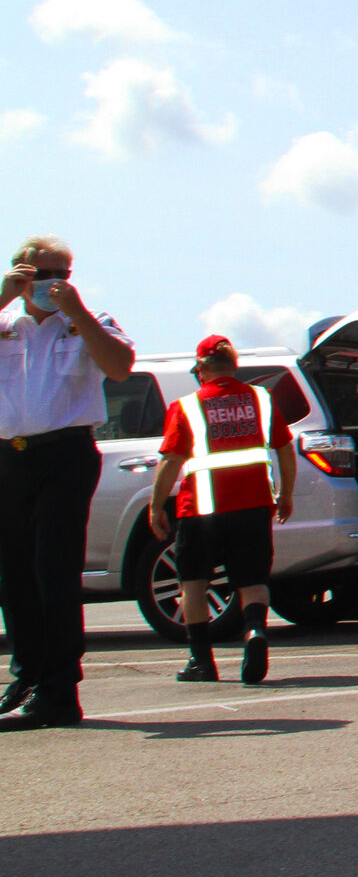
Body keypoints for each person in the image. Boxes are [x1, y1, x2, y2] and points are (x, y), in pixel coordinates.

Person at [0, 235, 134, 731]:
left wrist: (75, 312)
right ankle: (28, 677)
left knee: (52, 571)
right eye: (42, 273)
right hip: (9, 458)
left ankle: (59, 690)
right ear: (20, 273)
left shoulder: (88, 321)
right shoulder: (5, 323)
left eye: (62, 273)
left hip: (65, 455)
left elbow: (120, 368)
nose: (52, 283)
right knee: (14, 576)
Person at [149, 336, 298, 685]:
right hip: (254, 504)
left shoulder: (187, 405)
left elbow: (171, 461)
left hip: (201, 509)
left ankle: (201, 661)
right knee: (253, 580)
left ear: (201, 369)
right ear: (234, 366)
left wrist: (157, 505)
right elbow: (286, 452)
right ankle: (254, 631)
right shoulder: (262, 400)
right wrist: (286, 494)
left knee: (194, 583)